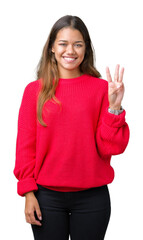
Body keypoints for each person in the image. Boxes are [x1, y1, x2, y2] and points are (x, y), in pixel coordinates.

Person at [13, 15, 130, 240]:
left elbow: (111, 148)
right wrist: (28, 192)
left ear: (86, 49)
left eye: (78, 44)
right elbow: (25, 147)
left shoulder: (102, 89)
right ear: (52, 49)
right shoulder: (34, 91)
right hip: (46, 198)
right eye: (63, 43)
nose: (71, 51)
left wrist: (114, 108)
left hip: (92, 198)